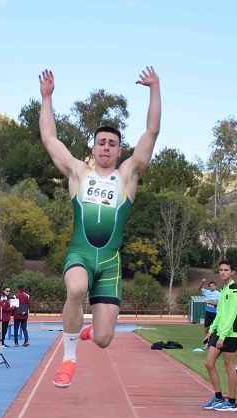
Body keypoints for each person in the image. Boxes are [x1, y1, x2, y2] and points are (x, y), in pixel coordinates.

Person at [39, 66, 161, 388]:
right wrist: (47, 98)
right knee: (76, 289)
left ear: (120, 150)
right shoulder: (78, 174)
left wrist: (154, 88)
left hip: (109, 262)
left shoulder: (127, 177)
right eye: (101, 142)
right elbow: (50, 138)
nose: (106, 147)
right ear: (93, 148)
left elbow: (151, 133)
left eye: (112, 143)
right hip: (80, 253)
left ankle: (93, 327)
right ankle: (69, 358)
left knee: (105, 339)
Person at [201, 261, 237, 412]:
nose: (223, 272)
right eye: (221, 270)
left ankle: (232, 402)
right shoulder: (224, 289)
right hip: (220, 332)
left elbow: (231, 315)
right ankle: (218, 397)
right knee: (209, 363)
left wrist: (222, 336)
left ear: (232, 272)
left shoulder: (235, 290)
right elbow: (220, 313)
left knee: (229, 365)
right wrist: (211, 331)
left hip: (230, 333)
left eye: (226, 270)